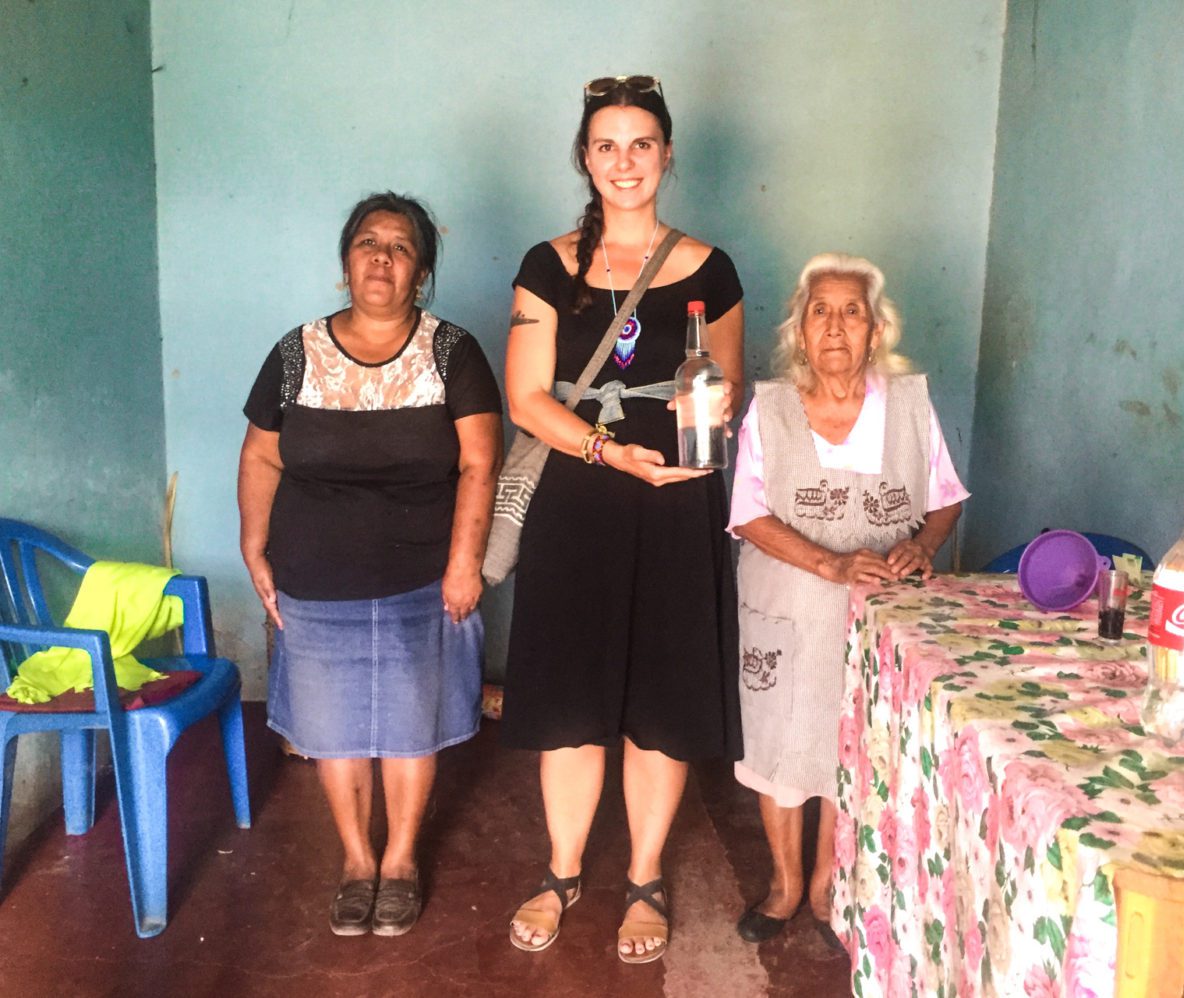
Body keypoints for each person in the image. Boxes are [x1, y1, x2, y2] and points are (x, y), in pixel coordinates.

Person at [500, 75, 744, 964]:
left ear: (667, 154)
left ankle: (643, 876)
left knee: (662, 698)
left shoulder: (711, 269)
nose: (624, 161)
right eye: (606, 145)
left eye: (641, 143)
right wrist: (607, 452)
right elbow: (526, 398)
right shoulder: (548, 264)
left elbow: (725, 387)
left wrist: (692, 432)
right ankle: (562, 870)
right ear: (584, 157)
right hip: (580, 502)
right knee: (570, 694)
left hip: (676, 504)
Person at [237, 191, 502, 938]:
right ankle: (357, 859)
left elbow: (481, 463)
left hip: (423, 577)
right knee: (335, 728)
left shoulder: (452, 352)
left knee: (410, 724)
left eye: (400, 247)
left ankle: (402, 861)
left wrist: (463, 565)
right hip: (314, 578)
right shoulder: (296, 353)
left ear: (420, 273)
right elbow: (261, 453)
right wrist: (253, 544)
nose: (381, 257)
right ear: (345, 262)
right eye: (367, 242)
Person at [729, 253, 967, 949]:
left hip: (879, 612)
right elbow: (746, 514)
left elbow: (945, 501)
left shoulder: (908, 408)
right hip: (785, 602)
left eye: (851, 312)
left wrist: (921, 546)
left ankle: (830, 881)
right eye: (820, 312)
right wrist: (829, 562)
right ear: (800, 332)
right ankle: (782, 882)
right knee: (779, 735)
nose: (835, 326)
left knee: (851, 734)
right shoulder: (769, 409)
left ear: (875, 331)